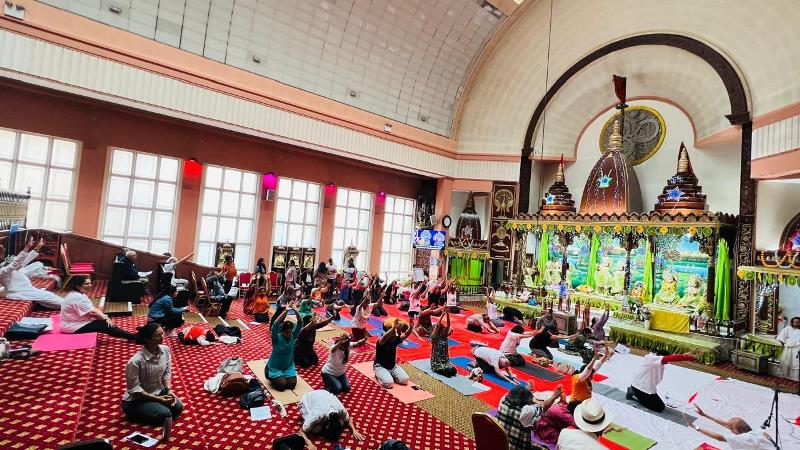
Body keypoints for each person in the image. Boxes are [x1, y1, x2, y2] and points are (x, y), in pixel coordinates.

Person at [122, 322, 183, 440]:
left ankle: (153, 408)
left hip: (158, 391)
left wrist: (169, 391)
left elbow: (166, 373)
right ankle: (133, 414)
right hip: (136, 400)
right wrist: (159, 399)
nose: (162, 337)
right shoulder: (135, 361)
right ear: (147, 339)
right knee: (166, 414)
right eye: (157, 335)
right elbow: (134, 390)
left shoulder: (165, 350)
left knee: (178, 407)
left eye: (162, 334)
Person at [60, 275, 136, 341]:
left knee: (105, 321)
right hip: (72, 326)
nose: (90, 285)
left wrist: (105, 317)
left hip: (77, 321)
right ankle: (132, 337)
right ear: (78, 286)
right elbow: (92, 313)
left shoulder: (79, 294)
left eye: (90, 283)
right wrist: (105, 319)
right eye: (86, 284)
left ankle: (129, 336)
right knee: (105, 325)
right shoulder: (77, 297)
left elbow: (93, 309)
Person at [0, 238, 63, 309]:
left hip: (26, 289)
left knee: (49, 295)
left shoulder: (6, 267)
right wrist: (27, 247)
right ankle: (71, 306)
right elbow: (16, 263)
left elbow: (25, 260)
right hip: (20, 292)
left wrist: (37, 247)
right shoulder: (3, 271)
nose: (3, 254)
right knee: (49, 297)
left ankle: (70, 305)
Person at [496, 383, 563, 450]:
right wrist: (554, 396)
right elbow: (544, 407)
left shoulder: (503, 400)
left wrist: (526, 390)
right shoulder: (525, 412)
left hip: (499, 443)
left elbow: (516, 395)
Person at [625, 352, 697, 412]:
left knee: (661, 406)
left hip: (647, 389)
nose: (667, 363)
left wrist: (685, 354)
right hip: (638, 387)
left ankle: (636, 393)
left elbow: (672, 357)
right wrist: (688, 357)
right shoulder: (651, 358)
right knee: (658, 408)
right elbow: (670, 358)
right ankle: (633, 393)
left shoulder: (658, 361)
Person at [297, 389, 365, 450]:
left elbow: (348, 419)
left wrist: (354, 430)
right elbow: (301, 431)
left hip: (322, 393)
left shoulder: (340, 410)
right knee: (317, 430)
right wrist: (309, 443)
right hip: (307, 400)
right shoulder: (316, 415)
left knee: (343, 421)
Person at [691, 404, 774, 450]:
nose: (730, 430)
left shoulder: (746, 438)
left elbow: (719, 437)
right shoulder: (755, 430)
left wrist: (696, 427)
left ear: (737, 431)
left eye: (731, 429)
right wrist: (705, 415)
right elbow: (727, 424)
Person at [267, 304, 304, 391]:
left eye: (290, 332)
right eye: (286, 332)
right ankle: (268, 373)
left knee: (292, 384)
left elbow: (300, 323)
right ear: (282, 331)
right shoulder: (276, 338)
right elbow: (275, 325)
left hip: (288, 366)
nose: (288, 334)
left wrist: (295, 311)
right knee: (281, 385)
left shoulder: (292, 336)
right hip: (275, 367)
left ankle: (283, 375)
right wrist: (286, 311)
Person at [374, 318, 413, 388]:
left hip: (392, 366)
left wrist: (411, 327)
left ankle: (388, 375)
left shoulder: (395, 338)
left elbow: (405, 335)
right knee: (389, 383)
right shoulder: (381, 339)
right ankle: (379, 375)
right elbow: (384, 338)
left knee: (405, 380)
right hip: (380, 366)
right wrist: (393, 328)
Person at [430, 307, 456, 377]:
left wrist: (447, 313)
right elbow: (438, 325)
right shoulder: (434, 337)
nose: (444, 329)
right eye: (442, 329)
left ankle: (446, 368)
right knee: (448, 373)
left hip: (445, 361)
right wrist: (442, 314)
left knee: (454, 371)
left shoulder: (444, 336)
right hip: (437, 363)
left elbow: (448, 325)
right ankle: (442, 369)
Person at [777, 316, 800, 380]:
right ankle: (786, 377)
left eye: (798, 322)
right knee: (786, 363)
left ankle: (795, 378)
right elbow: (782, 337)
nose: (796, 324)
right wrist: (783, 346)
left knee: (796, 364)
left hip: (797, 349)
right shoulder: (788, 328)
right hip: (788, 348)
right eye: (794, 322)